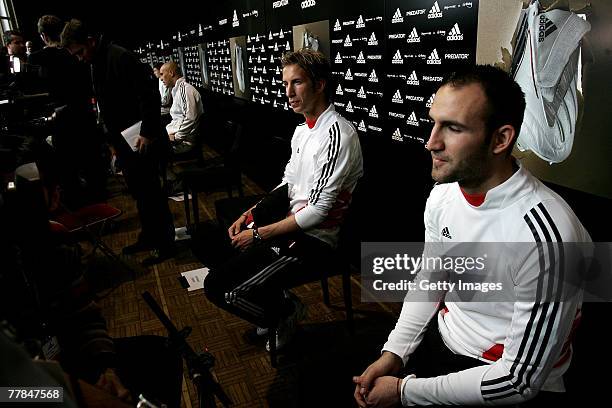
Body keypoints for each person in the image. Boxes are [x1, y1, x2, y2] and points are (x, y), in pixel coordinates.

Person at [353, 65, 591, 407]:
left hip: (497, 376)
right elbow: (431, 278)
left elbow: (518, 381)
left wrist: (404, 391)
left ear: (500, 139)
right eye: (433, 122)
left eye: (452, 127)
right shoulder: (442, 196)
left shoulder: (549, 239)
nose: (431, 142)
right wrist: (395, 352)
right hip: (442, 342)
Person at [203, 49, 363, 350]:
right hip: (290, 227)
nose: (288, 92)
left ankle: (283, 313)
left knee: (223, 290)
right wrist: (250, 214)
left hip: (314, 240)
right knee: (219, 256)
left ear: (320, 85)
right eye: (285, 83)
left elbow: (316, 213)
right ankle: (278, 304)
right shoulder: (302, 130)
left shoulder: (338, 134)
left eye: (297, 83)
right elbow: (288, 182)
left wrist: (257, 234)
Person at [60, 19, 175, 266]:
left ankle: (165, 244)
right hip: (123, 141)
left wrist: (147, 132)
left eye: (80, 51)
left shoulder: (121, 56)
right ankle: (148, 236)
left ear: (90, 41)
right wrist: (112, 143)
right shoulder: (95, 61)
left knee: (151, 193)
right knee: (139, 193)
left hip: (140, 139)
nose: (79, 58)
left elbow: (149, 95)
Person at [28, 14, 107, 208]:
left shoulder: (37, 59)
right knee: (93, 167)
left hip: (61, 123)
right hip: (86, 117)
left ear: (43, 36)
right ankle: (102, 212)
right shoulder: (76, 53)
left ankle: (80, 217)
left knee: (68, 173)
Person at [159, 60, 203, 155]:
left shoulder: (185, 89)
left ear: (171, 73)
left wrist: (176, 137)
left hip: (182, 143)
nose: (161, 78)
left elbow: (191, 118)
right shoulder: (177, 89)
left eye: (162, 74)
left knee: (148, 150)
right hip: (174, 136)